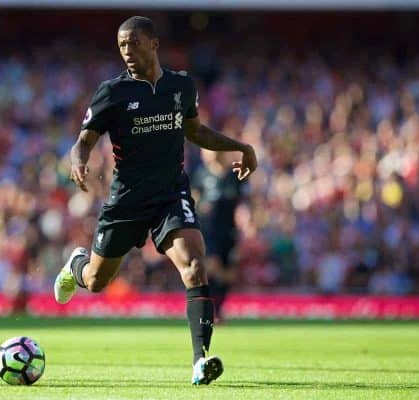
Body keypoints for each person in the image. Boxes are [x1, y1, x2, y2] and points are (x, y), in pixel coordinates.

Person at [54, 16, 257, 385]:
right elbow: (84, 140)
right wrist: (79, 160)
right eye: (121, 46)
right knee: (98, 281)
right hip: (128, 198)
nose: (127, 52)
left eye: (133, 43)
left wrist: (240, 147)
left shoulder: (181, 86)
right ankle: (77, 264)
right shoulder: (112, 93)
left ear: (154, 44)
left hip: (170, 194)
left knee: (195, 266)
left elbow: (195, 132)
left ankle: (201, 360)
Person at [192, 149, 246, 322]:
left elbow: (243, 204)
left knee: (228, 273)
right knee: (212, 266)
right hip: (208, 231)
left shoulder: (233, 176)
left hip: (229, 232)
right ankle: (211, 310)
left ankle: (219, 310)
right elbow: (193, 198)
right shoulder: (201, 174)